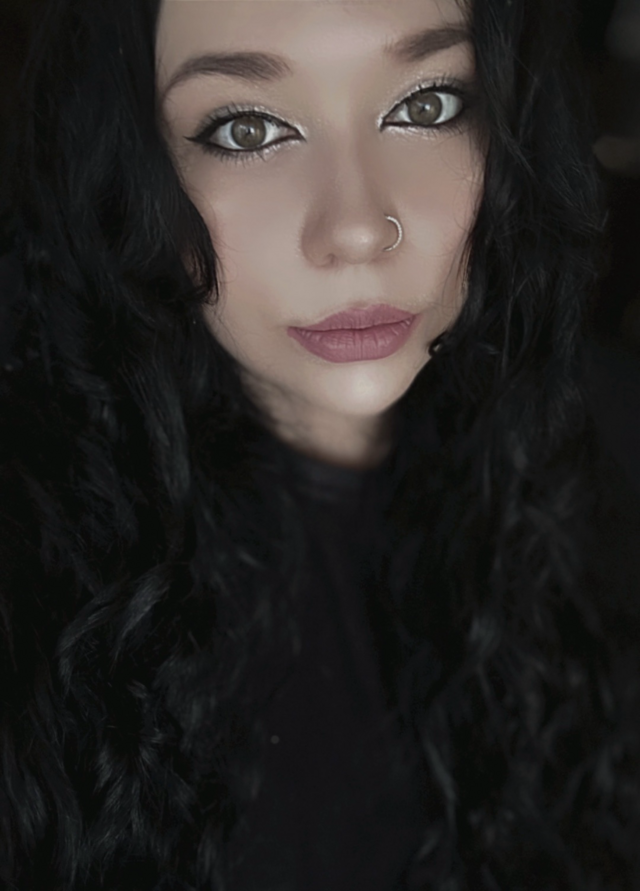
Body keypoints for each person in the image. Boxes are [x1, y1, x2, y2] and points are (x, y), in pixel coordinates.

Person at [1, 0, 640, 889]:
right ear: (125, 165)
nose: (356, 228)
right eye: (248, 129)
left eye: (425, 106)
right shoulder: (31, 586)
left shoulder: (610, 436)